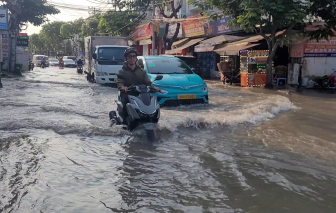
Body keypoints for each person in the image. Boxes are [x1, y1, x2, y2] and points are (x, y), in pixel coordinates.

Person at [117, 48, 160, 123]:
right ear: (126, 58)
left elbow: (148, 82)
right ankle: (125, 122)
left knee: (152, 100)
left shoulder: (141, 71)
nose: (132, 58)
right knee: (125, 101)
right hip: (128, 93)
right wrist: (123, 87)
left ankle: (153, 119)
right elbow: (120, 82)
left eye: (134, 56)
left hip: (141, 94)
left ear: (136, 58)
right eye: (130, 56)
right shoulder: (122, 72)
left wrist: (153, 88)